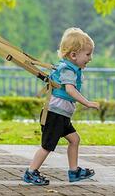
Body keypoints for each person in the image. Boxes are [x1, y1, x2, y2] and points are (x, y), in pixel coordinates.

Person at [23, 27, 100, 185]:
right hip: (55, 114)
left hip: (62, 115)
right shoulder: (67, 70)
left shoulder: (71, 68)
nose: (90, 58)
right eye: (87, 54)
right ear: (73, 55)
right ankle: (31, 172)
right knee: (47, 146)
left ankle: (74, 172)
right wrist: (87, 103)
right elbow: (70, 90)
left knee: (74, 140)